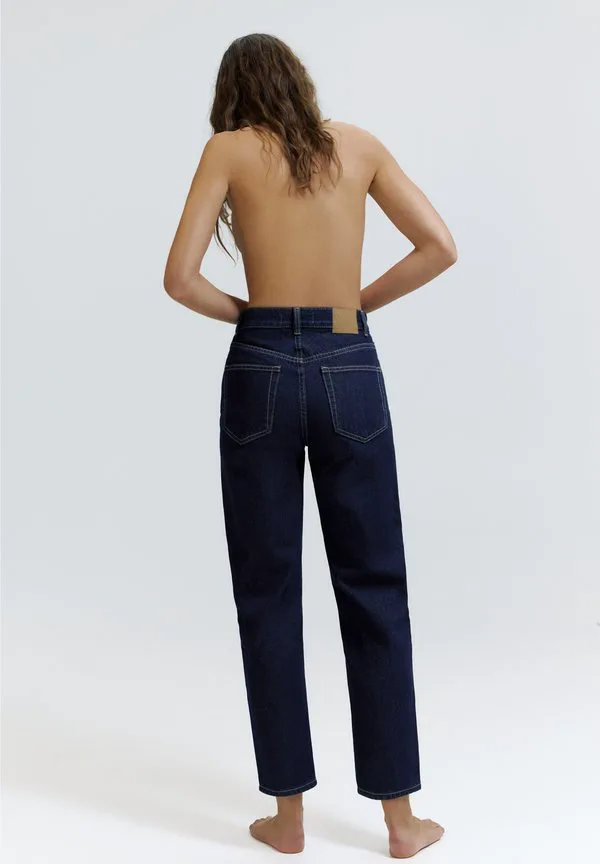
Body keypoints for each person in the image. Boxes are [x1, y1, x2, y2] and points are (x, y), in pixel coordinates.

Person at [164, 32, 457, 859]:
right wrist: (349, 307)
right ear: (299, 81)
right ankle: (401, 820)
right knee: (375, 587)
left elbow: (180, 278)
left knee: (267, 591)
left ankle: (288, 818)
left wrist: (255, 319)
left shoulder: (227, 150)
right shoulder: (358, 146)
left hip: (259, 366)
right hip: (348, 362)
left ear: (233, 94)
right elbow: (440, 245)